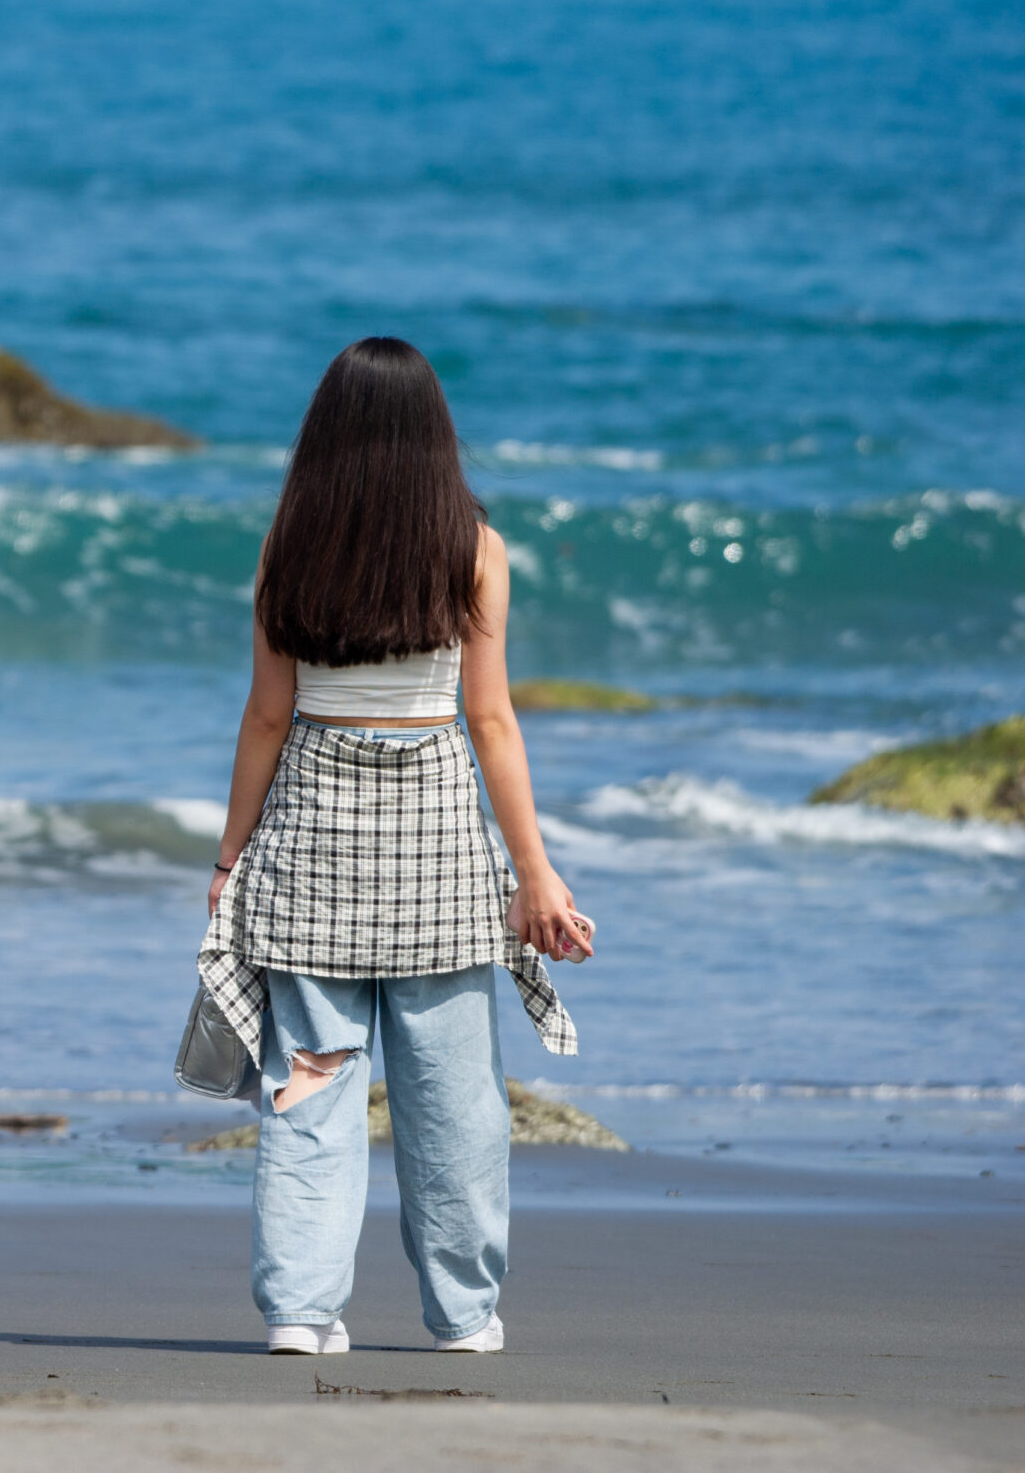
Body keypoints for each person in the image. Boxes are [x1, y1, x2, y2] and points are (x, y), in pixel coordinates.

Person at [201, 336, 592, 1358]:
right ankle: (462, 1315)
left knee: (310, 1089)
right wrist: (535, 870)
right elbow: (491, 721)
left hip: (311, 845)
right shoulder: (472, 548)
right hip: (438, 851)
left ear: (323, 433)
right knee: (453, 1104)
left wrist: (228, 856)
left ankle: (297, 1306)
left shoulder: (286, 547)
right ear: (433, 437)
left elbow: (265, 717)